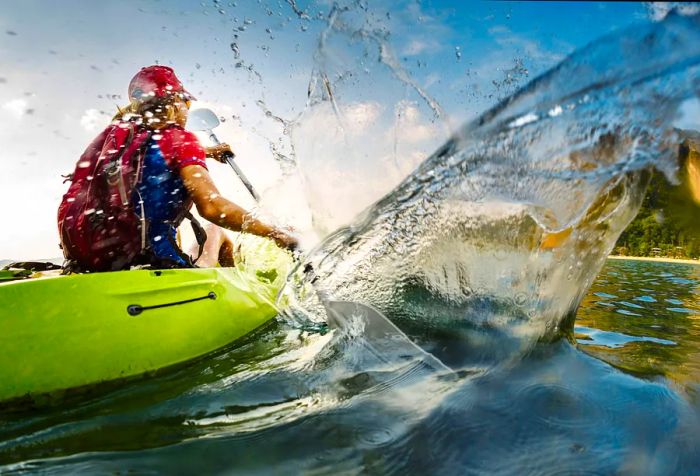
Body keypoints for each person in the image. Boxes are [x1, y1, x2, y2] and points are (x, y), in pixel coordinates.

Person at [59, 65, 297, 270]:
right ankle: (236, 296)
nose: (188, 109)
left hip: (92, 262)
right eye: (186, 102)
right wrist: (277, 233)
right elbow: (213, 208)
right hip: (154, 261)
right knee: (216, 230)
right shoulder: (180, 140)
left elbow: (152, 162)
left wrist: (208, 152)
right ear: (175, 103)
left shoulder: (120, 140)